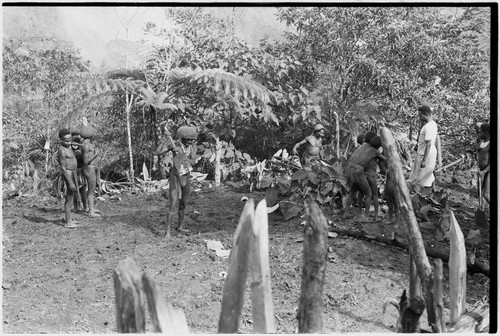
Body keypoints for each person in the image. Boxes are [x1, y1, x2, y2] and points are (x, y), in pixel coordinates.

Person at [154, 126, 198, 237]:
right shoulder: (174, 145)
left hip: (186, 176)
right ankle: (167, 231)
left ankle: (180, 227)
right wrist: (166, 140)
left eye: (192, 139)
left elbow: (193, 162)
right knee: (173, 203)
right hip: (175, 177)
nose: (190, 141)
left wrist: (183, 156)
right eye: (188, 139)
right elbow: (157, 152)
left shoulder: (193, 147)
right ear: (182, 138)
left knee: (183, 203)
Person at [343, 135, 386, 221]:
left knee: (352, 192)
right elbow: (385, 159)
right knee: (369, 193)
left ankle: (346, 214)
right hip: (358, 171)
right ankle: (366, 216)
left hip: (348, 167)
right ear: (379, 146)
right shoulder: (375, 151)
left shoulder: (363, 145)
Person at [408, 105, 442, 193]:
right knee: (423, 175)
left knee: (420, 178)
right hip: (424, 152)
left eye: (420, 115)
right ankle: (428, 193)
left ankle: (420, 195)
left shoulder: (428, 127)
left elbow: (429, 144)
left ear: (426, 115)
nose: (419, 118)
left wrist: (424, 160)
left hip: (425, 154)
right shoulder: (432, 124)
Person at [57, 128, 79, 228]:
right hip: (68, 174)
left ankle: (69, 219)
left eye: (70, 140)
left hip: (73, 173)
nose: (69, 142)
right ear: (60, 139)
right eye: (66, 141)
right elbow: (63, 168)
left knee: (71, 198)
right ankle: (67, 222)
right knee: (69, 199)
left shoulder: (69, 146)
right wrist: (70, 182)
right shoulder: (62, 150)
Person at [81, 125, 102, 218]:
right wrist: (96, 154)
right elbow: (86, 161)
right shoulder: (86, 146)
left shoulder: (88, 144)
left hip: (91, 168)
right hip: (89, 169)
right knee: (91, 191)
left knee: (91, 190)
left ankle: (91, 208)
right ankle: (91, 212)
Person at [71, 131, 88, 213]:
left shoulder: (80, 153)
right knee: (74, 191)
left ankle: (85, 207)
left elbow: (84, 164)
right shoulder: (69, 152)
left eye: (76, 143)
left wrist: (81, 171)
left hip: (80, 174)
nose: (74, 144)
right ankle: (76, 207)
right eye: (73, 143)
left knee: (82, 191)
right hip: (72, 174)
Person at [476, 122, 490, 204]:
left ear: (487, 133)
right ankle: (482, 211)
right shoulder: (481, 140)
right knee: (480, 193)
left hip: (488, 171)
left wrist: (484, 172)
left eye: (481, 132)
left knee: (486, 194)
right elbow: (477, 124)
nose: (479, 133)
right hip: (480, 170)